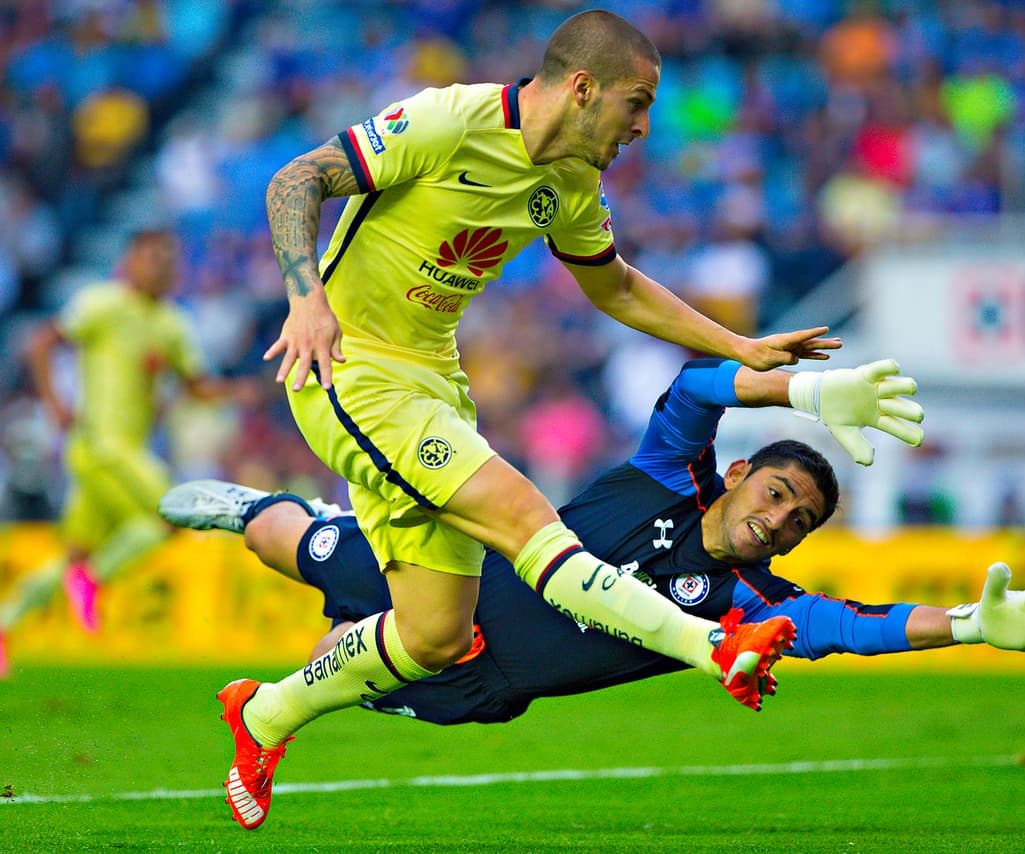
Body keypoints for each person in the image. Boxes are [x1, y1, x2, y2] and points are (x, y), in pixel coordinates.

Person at [219, 9, 865, 831]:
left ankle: (264, 717)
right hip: (350, 366)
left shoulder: (570, 184)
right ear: (583, 87)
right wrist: (306, 300)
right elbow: (294, 181)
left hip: (433, 386)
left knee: (433, 639)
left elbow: (618, 288)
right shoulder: (448, 120)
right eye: (637, 103)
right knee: (529, 520)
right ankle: (709, 647)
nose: (642, 126)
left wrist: (740, 345)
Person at [163, 358, 1025, 760]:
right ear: (737, 474)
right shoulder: (663, 471)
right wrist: (801, 389)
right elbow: (695, 387)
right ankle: (257, 507)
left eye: (796, 521)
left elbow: (852, 626)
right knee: (302, 550)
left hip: (483, 689)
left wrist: (968, 625)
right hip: (456, 570)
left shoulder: (751, 606)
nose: (778, 520)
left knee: (365, 675)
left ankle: (289, 697)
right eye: (774, 494)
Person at [0, 228, 255, 676]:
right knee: (170, 516)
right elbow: (41, 342)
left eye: (168, 258)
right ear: (130, 260)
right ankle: (94, 580)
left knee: (75, 554)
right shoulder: (103, 303)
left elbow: (197, 387)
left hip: (127, 453)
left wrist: (244, 390)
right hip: (99, 445)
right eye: (151, 256)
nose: (160, 266)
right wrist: (56, 404)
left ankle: (5, 625)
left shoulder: (171, 324)